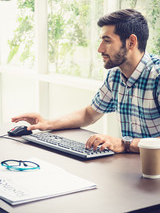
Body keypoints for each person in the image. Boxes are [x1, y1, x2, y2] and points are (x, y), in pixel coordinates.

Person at [12, 9, 160, 154]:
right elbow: (88, 114)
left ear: (131, 42)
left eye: (107, 41)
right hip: (134, 167)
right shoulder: (115, 76)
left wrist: (125, 144)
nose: (100, 49)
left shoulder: (157, 76)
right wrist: (47, 123)